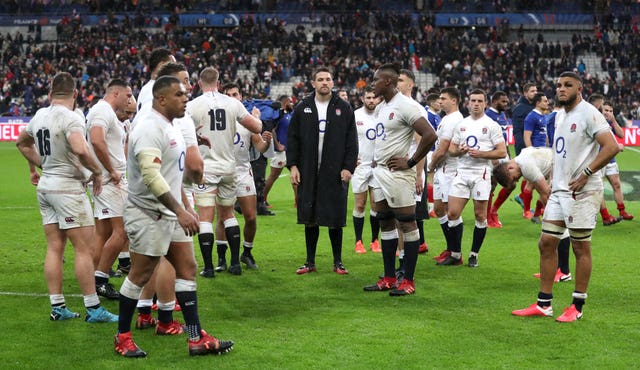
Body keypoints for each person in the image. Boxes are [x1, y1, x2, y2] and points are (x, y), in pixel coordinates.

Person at [114, 75, 233, 357]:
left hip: (172, 211)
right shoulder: (147, 127)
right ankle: (122, 337)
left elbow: (172, 174)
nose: (186, 98)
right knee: (140, 273)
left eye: (186, 94)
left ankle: (195, 338)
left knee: (188, 268)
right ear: (162, 99)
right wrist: (180, 210)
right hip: (149, 214)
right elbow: (151, 176)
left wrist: (186, 206)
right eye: (180, 94)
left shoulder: (173, 125)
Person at [512, 71, 619, 323]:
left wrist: (587, 173)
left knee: (580, 247)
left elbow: (612, 146)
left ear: (579, 88)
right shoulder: (560, 116)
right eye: (559, 85)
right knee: (546, 243)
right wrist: (552, 181)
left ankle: (577, 306)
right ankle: (544, 304)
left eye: (568, 85)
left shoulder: (589, 113)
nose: (561, 89)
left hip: (582, 191)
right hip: (560, 189)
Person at [16, 71, 118, 323]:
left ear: (50, 94)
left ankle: (58, 306)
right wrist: (96, 171)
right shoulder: (72, 117)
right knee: (84, 248)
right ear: (75, 93)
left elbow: (22, 142)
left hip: (47, 188)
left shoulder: (40, 115)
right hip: (68, 189)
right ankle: (93, 309)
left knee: (54, 247)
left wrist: (40, 166)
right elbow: (79, 147)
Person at [362, 63, 437, 295]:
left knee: (406, 222)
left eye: (376, 80)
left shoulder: (406, 106)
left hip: (398, 174)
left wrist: (412, 162)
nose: (372, 83)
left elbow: (430, 135)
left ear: (388, 82)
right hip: (380, 172)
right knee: (384, 220)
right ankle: (388, 277)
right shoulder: (383, 106)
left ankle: (408, 281)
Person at [189, 67, 263, 277]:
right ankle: (235, 264)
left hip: (206, 169)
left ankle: (209, 268)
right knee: (228, 215)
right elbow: (256, 127)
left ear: (200, 83)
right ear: (219, 83)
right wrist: (257, 117)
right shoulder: (233, 103)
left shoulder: (193, 106)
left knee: (206, 218)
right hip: (229, 167)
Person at [287, 66, 358, 275]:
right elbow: (293, 139)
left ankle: (338, 262)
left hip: (335, 171)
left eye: (328, 79)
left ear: (333, 82)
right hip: (308, 170)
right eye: (320, 79)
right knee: (310, 216)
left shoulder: (344, 108)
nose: (325, 82)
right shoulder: (303, 107)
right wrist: (293, 166)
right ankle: (310, 262)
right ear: (313, 83)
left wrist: (348, 167)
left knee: (335, 217)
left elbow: (351, 142)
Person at [438, 89, 507, 267]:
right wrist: (459, 151)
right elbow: (452, 150)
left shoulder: (491, 125)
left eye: (479, 101)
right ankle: (455, 253)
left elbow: (502, 151)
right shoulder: (462, 124)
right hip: (461, 172)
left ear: (485, 104)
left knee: (480, 215)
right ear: (468, 103)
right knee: (452, 214)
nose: (476, 104)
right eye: (473, 101)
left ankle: (474, 254)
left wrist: (481, 153)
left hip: (481, 173)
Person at [213, 82, 273, 273]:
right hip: (223, 172)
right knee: (222, 218)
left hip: (242, 171)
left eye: (236, 94)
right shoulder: (218, 121)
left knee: (251, 216)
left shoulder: (247, 122)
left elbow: (259, 147)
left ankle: (246, 252)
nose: (233, 97)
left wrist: (267, 141)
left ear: (241, 97)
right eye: (229, 94)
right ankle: (222, 258)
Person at [493, 147, 572, 283]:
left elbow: (546, 192)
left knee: (558, 228)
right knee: (555, 228)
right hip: (560, 168)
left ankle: (564, 271)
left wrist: (552, 216)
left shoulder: (526, 166)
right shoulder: (522, 158)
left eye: (514, 179)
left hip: (563, 171)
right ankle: (556, 270)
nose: (517, 181)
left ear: (510, 168)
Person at [86, 79, 133, 301]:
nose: (129, 99)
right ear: (116, 93)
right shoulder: (102, 110)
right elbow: (96, 140)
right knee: (121, 231)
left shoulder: (102, 111)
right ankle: (101, 280)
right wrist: (112, 170)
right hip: (110, 181)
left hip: (103, 181)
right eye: (128, 95)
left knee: (103, 233)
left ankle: (92, 278)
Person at [428, 87, 464, 264]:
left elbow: (442, 149)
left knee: (452, 212)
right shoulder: (446, 119)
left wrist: (431, 165)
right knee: (439, 209)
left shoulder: (453, 120)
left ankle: (456, 254)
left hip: (450, 170)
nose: (440, 101)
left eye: (443, 98)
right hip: (442, 169)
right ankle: (450, 248)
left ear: (454, 101)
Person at [352, 86, 381, 254]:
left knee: (376, 206)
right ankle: (358, 241)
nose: (371, 100)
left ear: (378, 99)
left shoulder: (382, 116)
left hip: (377, 166)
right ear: (363, 99)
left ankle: (374, 240)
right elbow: (348, 139)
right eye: (368, 97)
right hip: (360, 166)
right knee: (360, 204)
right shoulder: (355, 116)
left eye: (374, 98)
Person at [517, 92, 550, 221]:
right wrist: (531, 153)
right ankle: (528, 211)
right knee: (533, 185)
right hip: (535, 154)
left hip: (543, 153)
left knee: (536, 184)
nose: (547, 103)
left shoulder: (543, 116)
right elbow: (527, 136)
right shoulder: (531, 117)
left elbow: (544, 135)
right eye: (545, 101)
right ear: (538, 103)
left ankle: (536, 213)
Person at [600, 101, 633, 222]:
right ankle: (605, 215)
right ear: (600, 111)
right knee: (599, 188)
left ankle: (622, 211)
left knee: (617, 185)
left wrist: (613, 121)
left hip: (610, 159)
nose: (608, 113)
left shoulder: (611, 123)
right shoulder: (596, 122)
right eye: (606, 110)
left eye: (610, 111)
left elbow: (621, 135)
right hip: (598, 160)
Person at [263, 95, 296, 208]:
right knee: (273, 176)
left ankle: (298, 201)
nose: (292, 104)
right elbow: (272, 129)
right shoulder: (277, 114)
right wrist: (277, 144)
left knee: (296, 174)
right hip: (280, 152)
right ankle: (262, 199)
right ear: (286, 102)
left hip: (291, 150)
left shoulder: (290, 114)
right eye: (291, 102)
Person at [485, 91, 511, 228]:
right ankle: (488, 216)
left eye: (506, 102)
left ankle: (494, 210)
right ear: (495, 101)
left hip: (503, 154)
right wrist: (493, 154)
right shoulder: (488, 116)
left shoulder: (502, 115)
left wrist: (508, 154)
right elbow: (485, 137)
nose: (506, 104)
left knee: (511, 183)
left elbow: (505, 136)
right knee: (491, 185)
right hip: (493, 155)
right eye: (503, 102)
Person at [512, 83, 537, 156]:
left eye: (536, 91)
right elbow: (517, 131)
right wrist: (522, 150)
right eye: (532, 91)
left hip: (536, 146)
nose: (535, 93)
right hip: (525, 148)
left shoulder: (536, 107)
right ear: (525, 93)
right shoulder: (519, 109)